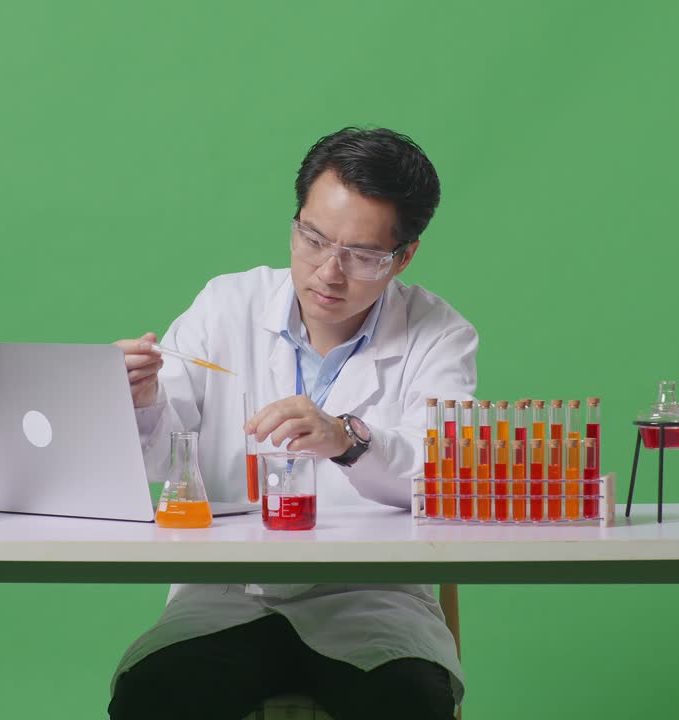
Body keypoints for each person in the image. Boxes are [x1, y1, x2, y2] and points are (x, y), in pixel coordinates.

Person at [108, 127, 478, 720]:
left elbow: (445, 477)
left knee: (406, 703)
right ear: (296, 220)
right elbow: (163, 461)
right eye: (313, 238)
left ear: (403, 256)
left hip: (371, 601)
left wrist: (348, 440)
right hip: (225, 596)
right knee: (153, 696)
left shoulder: (439, 335)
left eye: (361, 255)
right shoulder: (227, 305)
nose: (328, 272)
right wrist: (142, 399)